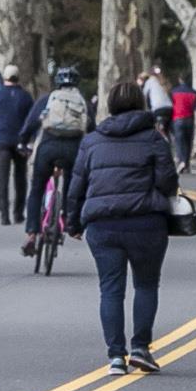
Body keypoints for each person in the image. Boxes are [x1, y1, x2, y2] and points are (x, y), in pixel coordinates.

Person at [65, 80, 178, 374]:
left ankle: (116, 356)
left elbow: (77, 186)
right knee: (146, 285)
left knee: (110, 289)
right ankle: (140, 347)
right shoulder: (154, 139)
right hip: (146, 222)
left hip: (103, 225)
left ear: (110, 105)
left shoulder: (92, 140)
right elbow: (168, 182)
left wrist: (73, 222)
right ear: (141, 104)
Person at [18, 65, 93, 252]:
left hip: (48, 148)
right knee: (72, 186)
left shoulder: (48, 99)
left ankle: (31, 233)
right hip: (74, 150)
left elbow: (30, 124)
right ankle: (68, 221)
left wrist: (22, 142)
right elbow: (92, 129)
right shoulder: (83, 102)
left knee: (37, 189)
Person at [0, 64, 35, 226]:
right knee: (20, 178)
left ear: (5, 77)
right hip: (20, 141)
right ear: (18, 77)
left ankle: (4, 215)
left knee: (2, 179)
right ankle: (18, 213)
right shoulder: (26, 97)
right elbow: (31, 120)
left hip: (2, 140)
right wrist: (29, 139)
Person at [170, 73, 196, 172]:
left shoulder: (174, 92)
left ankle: (182, 161)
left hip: (177, 119)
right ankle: (186, 163)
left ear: (180, 80)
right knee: (188, 141)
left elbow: (171, 107)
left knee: (179, 141)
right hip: (189, 119)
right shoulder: (194, 93)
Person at [143, 61, 175, 138]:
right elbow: (170, 93)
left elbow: (144, 94)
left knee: (160, 131)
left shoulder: (150, 81)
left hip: (158, 109)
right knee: (168, 130)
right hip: (169, 108)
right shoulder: (163, 81)